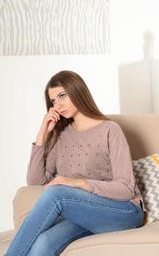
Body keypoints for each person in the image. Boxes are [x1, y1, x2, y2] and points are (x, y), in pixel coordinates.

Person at [6, 70, 145, 256]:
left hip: (123, 212)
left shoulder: (110, 130)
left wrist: (77, 183)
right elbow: (35, 180)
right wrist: (42, 136)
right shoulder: (61, 134)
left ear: (77, 90)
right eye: (53, 100)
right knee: (43, 242)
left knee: (57, 194)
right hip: (84, 214)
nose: (58, 104)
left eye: (62, 95)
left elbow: (126, 188)